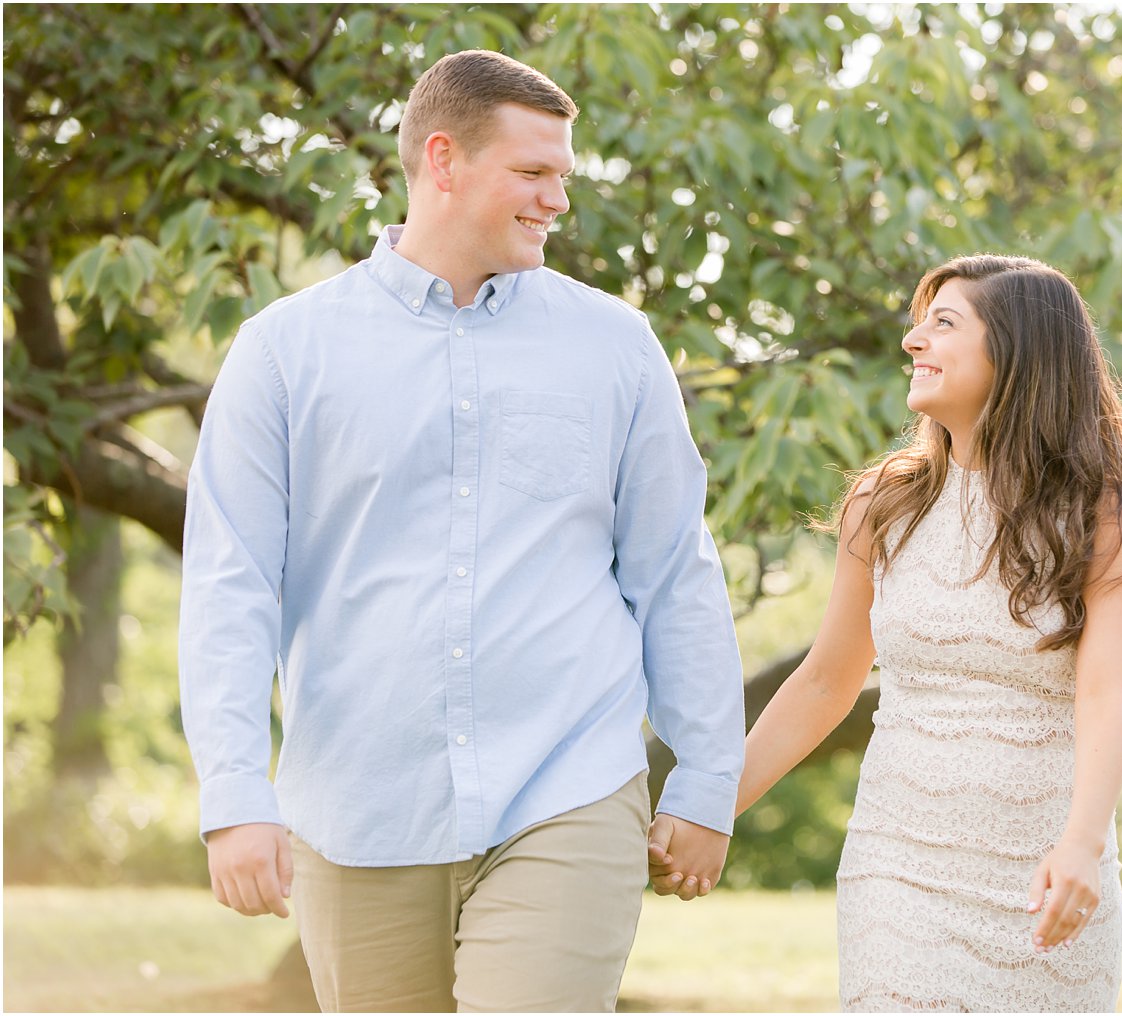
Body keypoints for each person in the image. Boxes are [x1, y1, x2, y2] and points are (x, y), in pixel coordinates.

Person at [179, 50, 744, 1012]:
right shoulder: (284, 351)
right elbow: (230, 585)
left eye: (563, 175)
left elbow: (673, 574)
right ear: (442, 160)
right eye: (535, 173)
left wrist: (706, 775)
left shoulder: (615, 347)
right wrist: (234, 794)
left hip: (568, 783)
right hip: (357, 801)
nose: (558, 200)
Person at [655, 255, 1122, 1010]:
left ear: (1019, 353)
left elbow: (1106, 697)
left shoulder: (1105, 516)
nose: (912, 341)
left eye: (943, 323)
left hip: (1044, 871)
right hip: (897, 870)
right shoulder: (885, 503)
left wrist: (1083, 844)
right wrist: (711, 805)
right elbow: (825, 680)